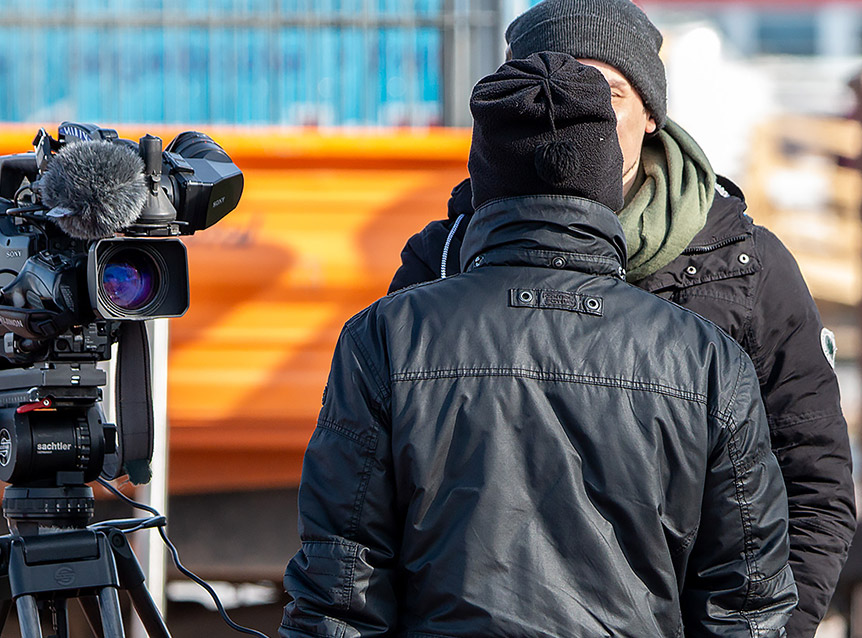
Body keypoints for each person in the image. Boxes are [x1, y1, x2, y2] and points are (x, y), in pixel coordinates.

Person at [282, 51, 796, 638]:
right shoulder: (704, 358)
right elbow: (746, 605)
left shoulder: (388, 336)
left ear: (483, 178)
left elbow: (341, 592)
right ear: (605, 179)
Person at [387, 2, 856, 634]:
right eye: (556, 87)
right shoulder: (443, 260)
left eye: (606, 91)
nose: (578, 112)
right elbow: (375, 499)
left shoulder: (744, 268)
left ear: (652, 112)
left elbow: (812, 483)